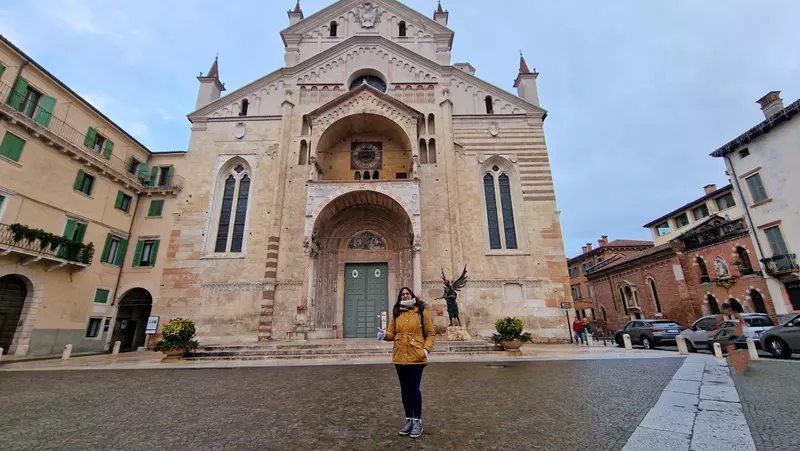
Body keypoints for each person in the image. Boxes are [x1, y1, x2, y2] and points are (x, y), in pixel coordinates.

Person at [377, 287, 435, 439]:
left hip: (417, 357)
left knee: (414, 389)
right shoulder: (397, 313)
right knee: (404, 390)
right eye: (403, 294)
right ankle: (409, 420)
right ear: (400, 297)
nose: (405, 295)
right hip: (400, 357)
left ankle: (418, 421)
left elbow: (430, 333)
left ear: (412, 295)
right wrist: (384, 335)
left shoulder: (422, 312)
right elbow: (392, 333)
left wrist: (426, 350)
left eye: (407, 293)